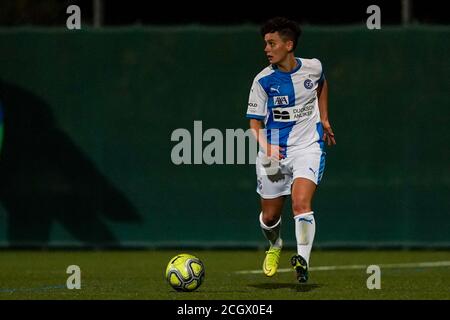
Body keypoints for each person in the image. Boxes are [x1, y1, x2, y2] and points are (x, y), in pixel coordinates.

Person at [246, 17, 336, 283]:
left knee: (300, 204)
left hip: (308, 147)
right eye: (265, 44)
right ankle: (275, 245)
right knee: (270, 216)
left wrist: (325, 118)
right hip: (273, 154)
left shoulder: (313, 67)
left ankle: (303, 262)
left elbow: (322, 84)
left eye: (271, 43)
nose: (267, 49)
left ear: (289, 44)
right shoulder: (263, 81)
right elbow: (254, 125)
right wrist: (267, 146)